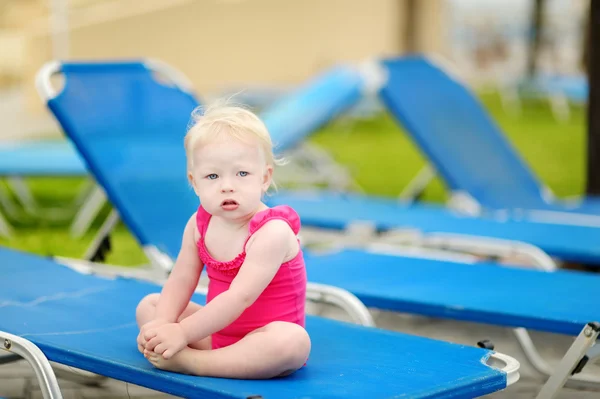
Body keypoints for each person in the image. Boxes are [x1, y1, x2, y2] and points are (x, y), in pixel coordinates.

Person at [135, 102, 311, 379]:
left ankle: (191, 362)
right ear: (195, 182)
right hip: (215, 334)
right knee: (151, 306)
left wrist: (181, 332)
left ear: (264, 178)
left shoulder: (271, 232)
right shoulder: (198, 224)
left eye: (242, 173)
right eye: (212, 176)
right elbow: (181, 278)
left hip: (262, 339)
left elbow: (239, 297)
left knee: (293, 342)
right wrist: (164, 326)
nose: (227, 185)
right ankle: (195, 354)